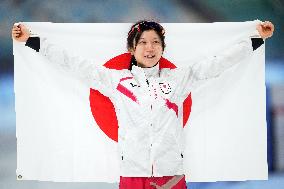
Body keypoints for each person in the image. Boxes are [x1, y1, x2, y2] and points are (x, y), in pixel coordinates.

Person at [12, 20, 274, 189]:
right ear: (132, 48)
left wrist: (256, 39)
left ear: (163, 47)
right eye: (144, 43)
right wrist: (31, 40)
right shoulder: (115, 81)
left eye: (156, 42)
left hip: (172, 177)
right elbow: (72, 63)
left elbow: (219, 62)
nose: (150, 48)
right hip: (132, 177)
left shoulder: (179, 78)